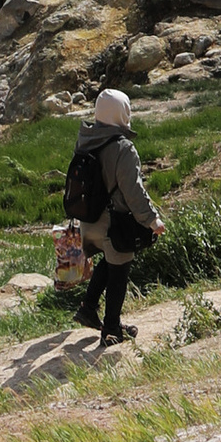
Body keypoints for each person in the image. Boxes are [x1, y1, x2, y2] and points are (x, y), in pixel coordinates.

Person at [67, 85, 158, 346]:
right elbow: (133, 192)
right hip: (113, 223)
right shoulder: (123, 148)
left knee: (110, 261)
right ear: (123, 113)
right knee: (120, 269)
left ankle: (88, 307)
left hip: (88, 222)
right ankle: (111, 330)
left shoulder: (84, 140)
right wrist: (152, 220)